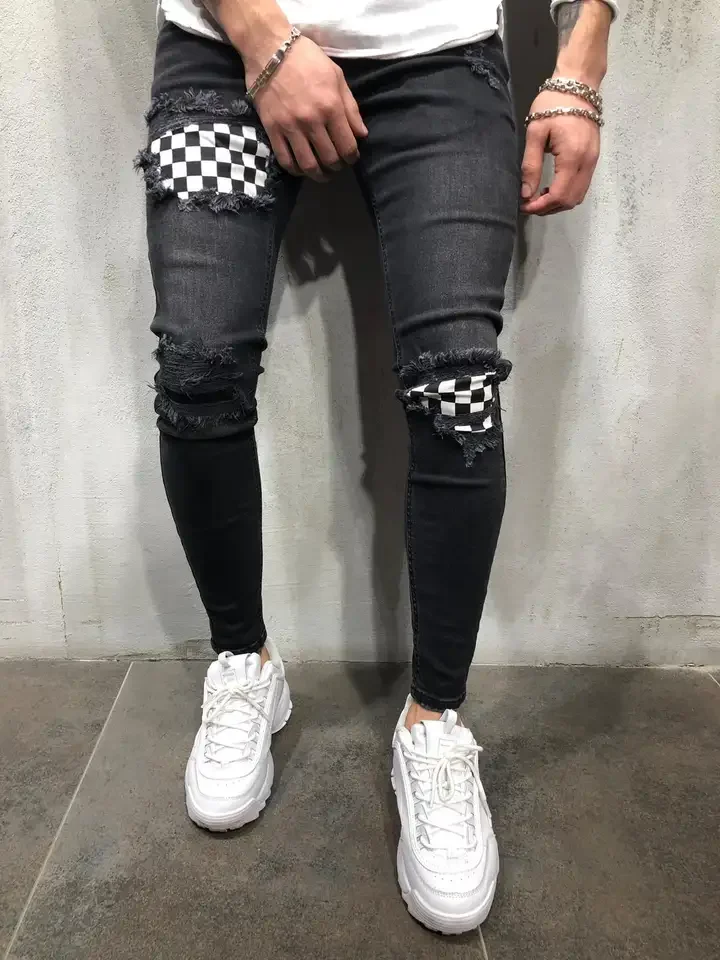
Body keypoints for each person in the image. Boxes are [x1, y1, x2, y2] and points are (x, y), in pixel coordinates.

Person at [137, 0, 618, 934]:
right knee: (199, 368)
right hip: (223, 49)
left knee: (458, 392)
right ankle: (244, 663)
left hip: (436, 54)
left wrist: (581, 60)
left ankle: (434, 724)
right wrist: (259, 36)